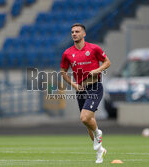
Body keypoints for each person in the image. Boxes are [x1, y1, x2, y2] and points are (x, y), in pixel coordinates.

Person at [60, 23, 111, 163]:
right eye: (72, 32)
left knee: (84, 118)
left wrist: (97, 70)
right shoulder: (67, 53)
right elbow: (63, 72)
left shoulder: (94, 48)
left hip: (95, 87)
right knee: (88, 122)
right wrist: (74, 84)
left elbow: (107, 62)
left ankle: (98, 133)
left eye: (77, 31)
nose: (74, 34)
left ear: (84, 34)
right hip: (80, 89)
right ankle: (100, 151)